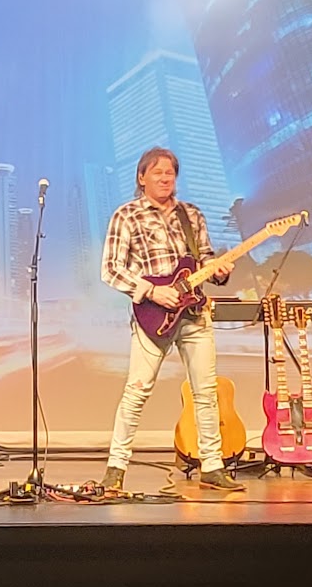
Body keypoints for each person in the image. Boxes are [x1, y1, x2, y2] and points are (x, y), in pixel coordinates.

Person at [99, 147, 242, 493]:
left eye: (170, 173)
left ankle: (212, 465)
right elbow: (111, 269)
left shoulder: (191, 214)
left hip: (194, 313)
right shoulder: (127, 215)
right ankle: (116, 468)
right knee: (136, 392)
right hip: (153, 316)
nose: (165, 178)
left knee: (205, 393)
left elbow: (204, 260)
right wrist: (152, 291)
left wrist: (219, 271)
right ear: (141, 177)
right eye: (158, 172)